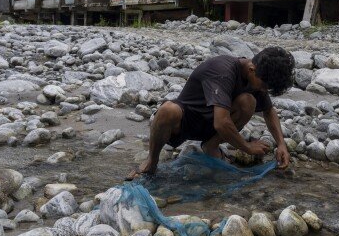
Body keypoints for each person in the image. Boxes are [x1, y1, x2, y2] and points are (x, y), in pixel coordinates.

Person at [126, 46, 295, 179]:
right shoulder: (223, 70)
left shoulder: (257, 79)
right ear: (251, 68)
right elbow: (221, 122)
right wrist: (247, 147)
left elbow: (268, 110)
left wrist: (281, 144)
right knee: (166, 110)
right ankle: (151, 161)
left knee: (248, 101)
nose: (263, 90)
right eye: (264, 86)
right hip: (188, 121)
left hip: (213, 126)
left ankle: (211, 145)